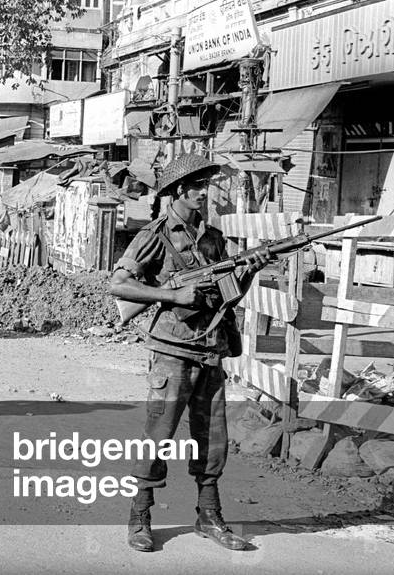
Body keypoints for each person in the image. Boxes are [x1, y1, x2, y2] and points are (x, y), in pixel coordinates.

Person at [108, 153, 269, 552]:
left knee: (213, 438)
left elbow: (227, 296)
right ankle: (140, 515)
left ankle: (209, 517)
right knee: (158, 435)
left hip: (210, 348)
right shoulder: (155, 235)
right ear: (180, 189)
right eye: (198, 187)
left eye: (207, 186)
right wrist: (171, 294)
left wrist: (249, 269)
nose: (204, 193)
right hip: (171, 351)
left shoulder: (213, 239)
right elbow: (119, 285)